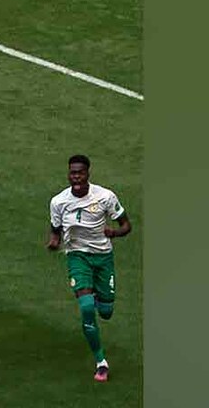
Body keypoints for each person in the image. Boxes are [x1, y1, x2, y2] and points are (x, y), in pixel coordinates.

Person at [46, 154, 131, 382]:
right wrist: (54, 242)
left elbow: (126, 225)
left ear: (88, 174)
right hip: (77, 256)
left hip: (103, 257)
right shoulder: (58, 202)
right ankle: (101, 362)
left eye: (80, 173)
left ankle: (95, 296)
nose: (76, 177)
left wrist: (113, 233)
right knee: (86, 308)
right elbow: (55, 229)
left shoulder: (105, 196)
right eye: (72, 173)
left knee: (106, 312)